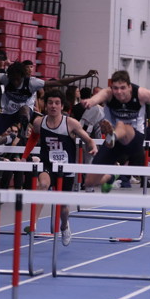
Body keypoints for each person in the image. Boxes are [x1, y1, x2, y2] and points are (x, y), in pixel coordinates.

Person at [21, 89, 98, 244]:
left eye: (57, 103)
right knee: (42, 185)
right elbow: (34, 137)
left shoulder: (71, 123)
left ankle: (64, 225)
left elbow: (89, 140)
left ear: (62, 106)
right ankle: (33, 224)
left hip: (66, 168)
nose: (53, 106)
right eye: (50, 103)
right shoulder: (39, 122)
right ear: (45, 105)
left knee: (63, 208)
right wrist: (24, 156)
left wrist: (93, 147)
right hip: (47, 163)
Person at [80, 70, 150, 192]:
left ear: (129, 87)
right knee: (89, 181)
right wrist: (90, 102)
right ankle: (111, 177)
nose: (119, 92)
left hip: (135, 138)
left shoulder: (140, 93)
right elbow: (98, 97)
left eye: (122, 88)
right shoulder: (108, 93)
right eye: (115, 88)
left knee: (121, 125)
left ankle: (113, 136)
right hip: (113, 141)